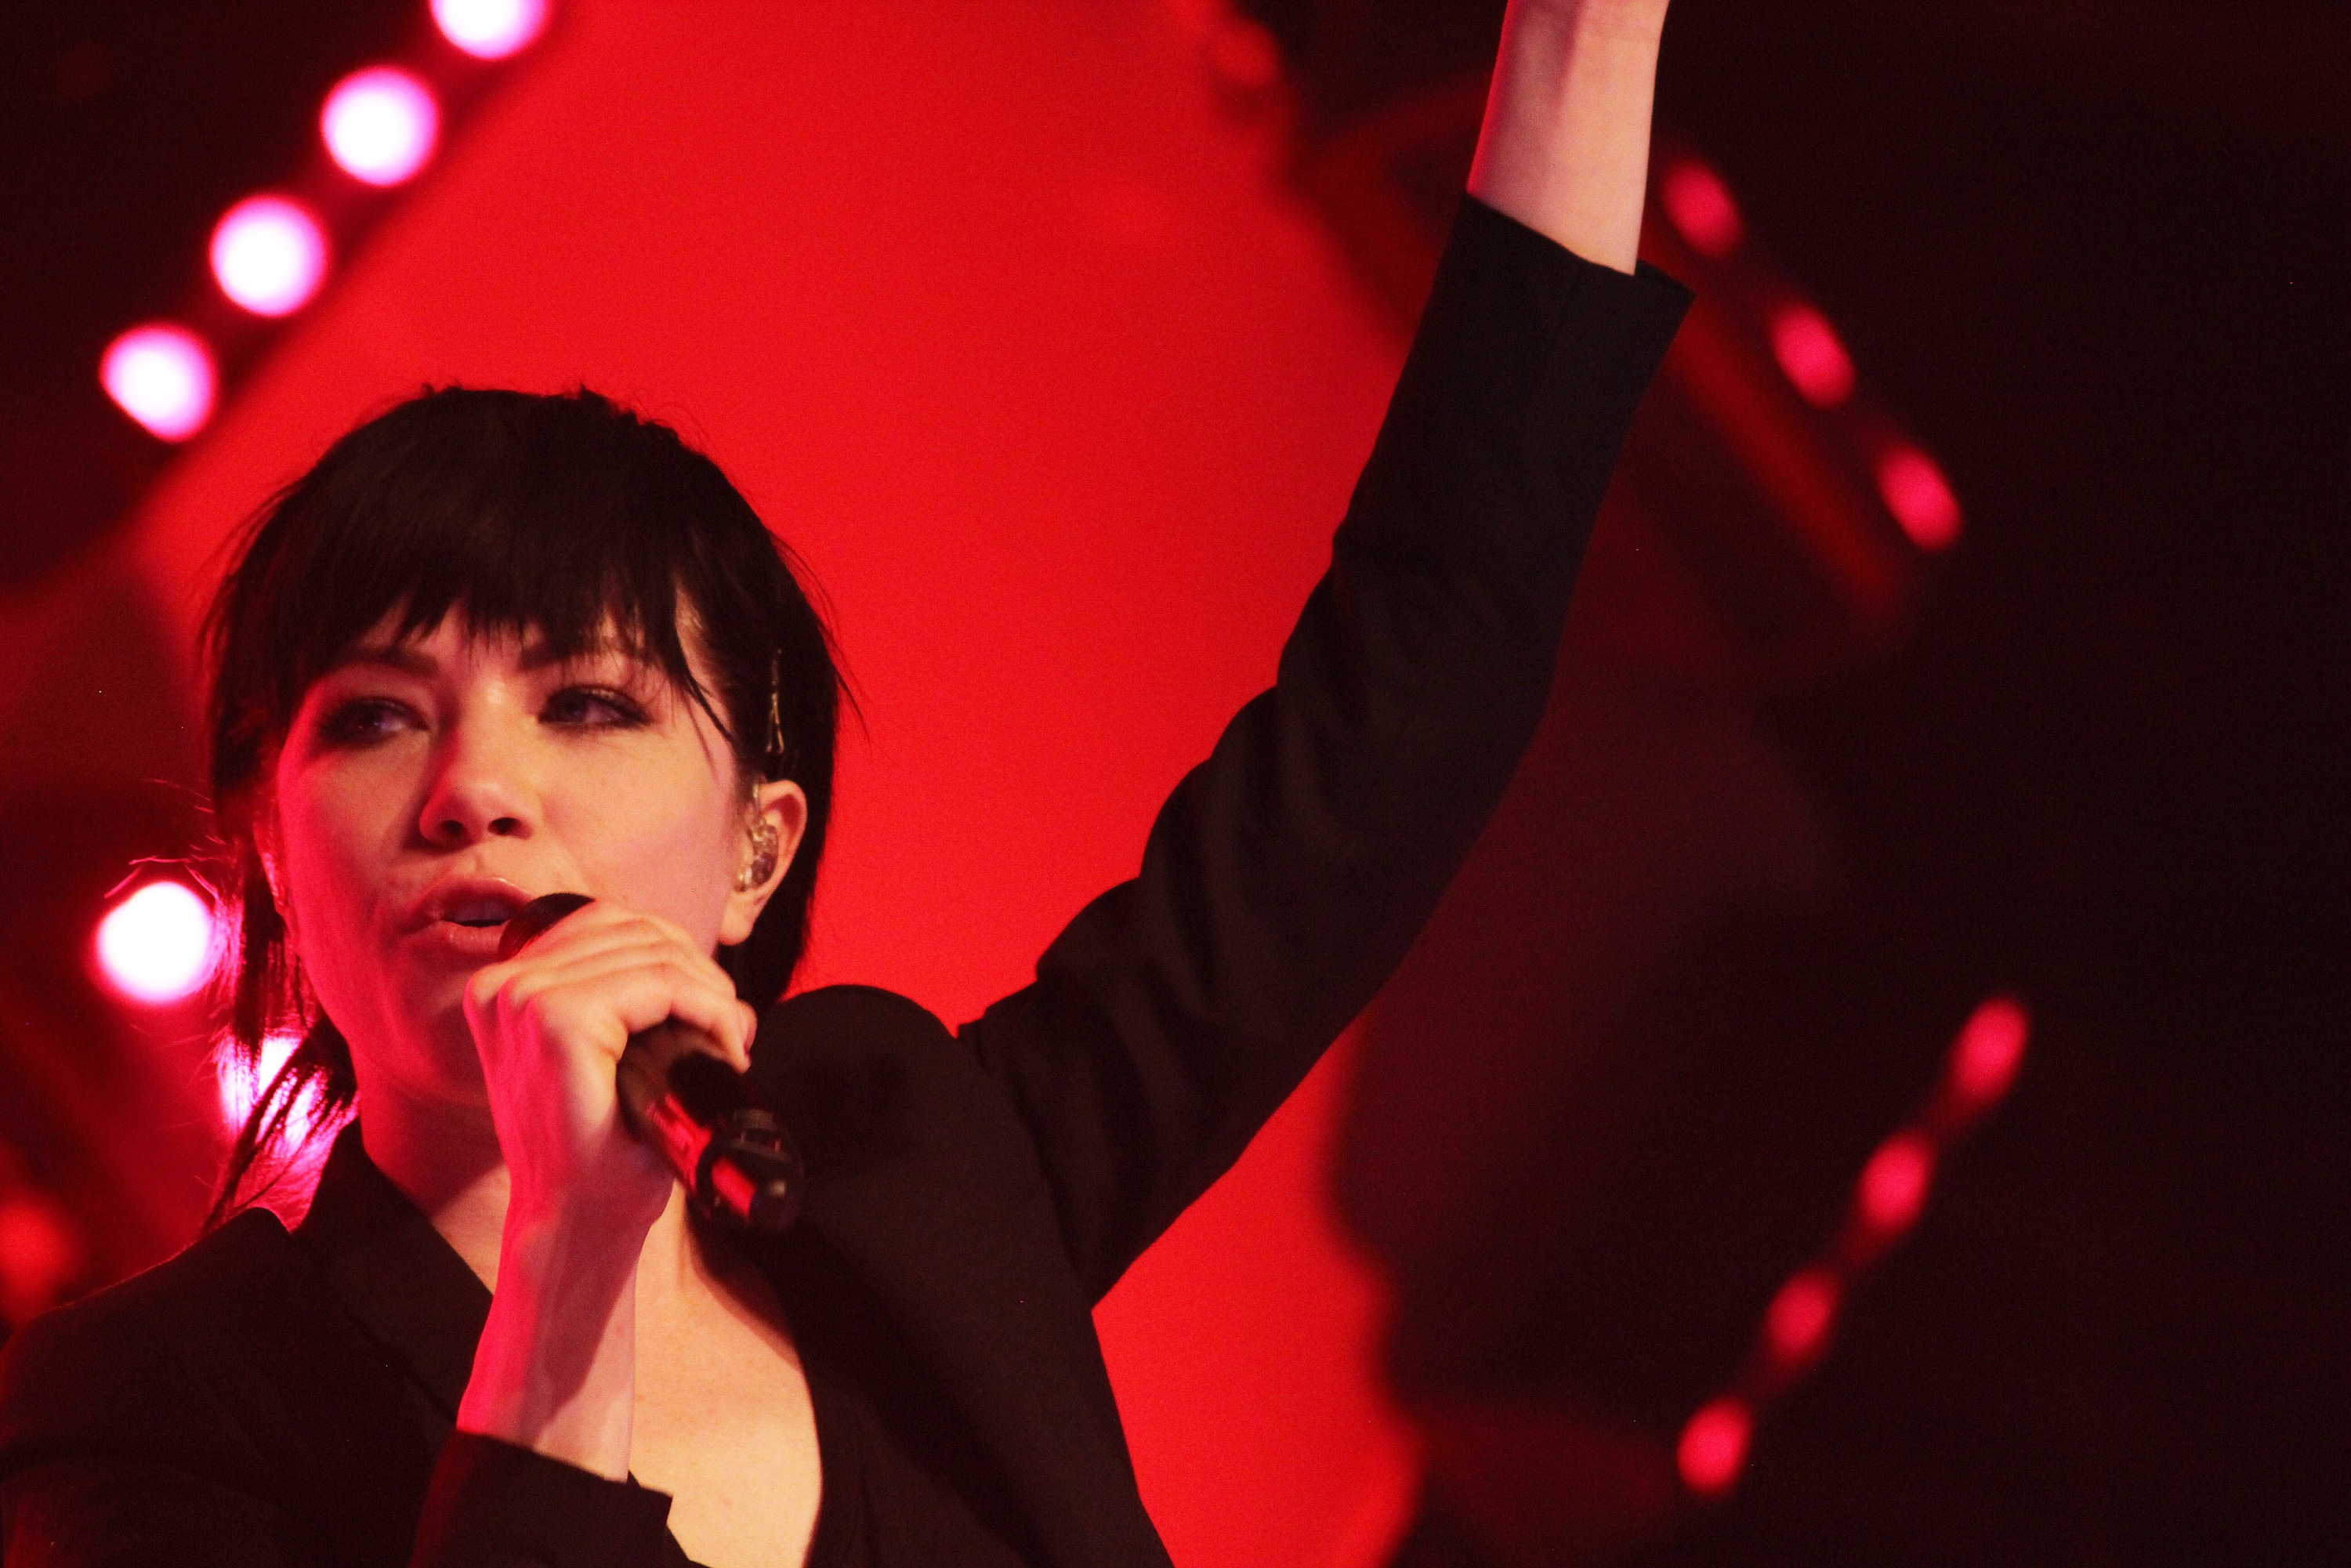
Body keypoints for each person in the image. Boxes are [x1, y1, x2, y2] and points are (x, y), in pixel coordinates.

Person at [0, 2, 1686, 1563]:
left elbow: (1412, 691)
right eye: (377, 717)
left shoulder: (901, 1160)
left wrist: (1588, 27)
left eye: (587, 702)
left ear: (758, 850)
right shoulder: (151, 1411)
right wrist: (570, 1250)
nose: (475, 785)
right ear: (271, 845)